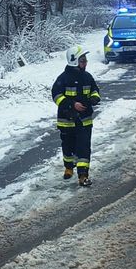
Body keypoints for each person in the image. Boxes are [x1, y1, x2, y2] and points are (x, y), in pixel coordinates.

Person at [51, 44, 101, 187]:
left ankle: (83, 175)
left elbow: (95, 90)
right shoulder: (63, 78)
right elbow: (56, 95)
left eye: (85, 60)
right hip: (67, 121)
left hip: (84, 121)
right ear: (74, 61)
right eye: (82, 60)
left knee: (84, 148)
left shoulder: (87, 77)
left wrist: (94, 97)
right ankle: (68, 167)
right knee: (68, 147)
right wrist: (71, 105)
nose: (85, 63)